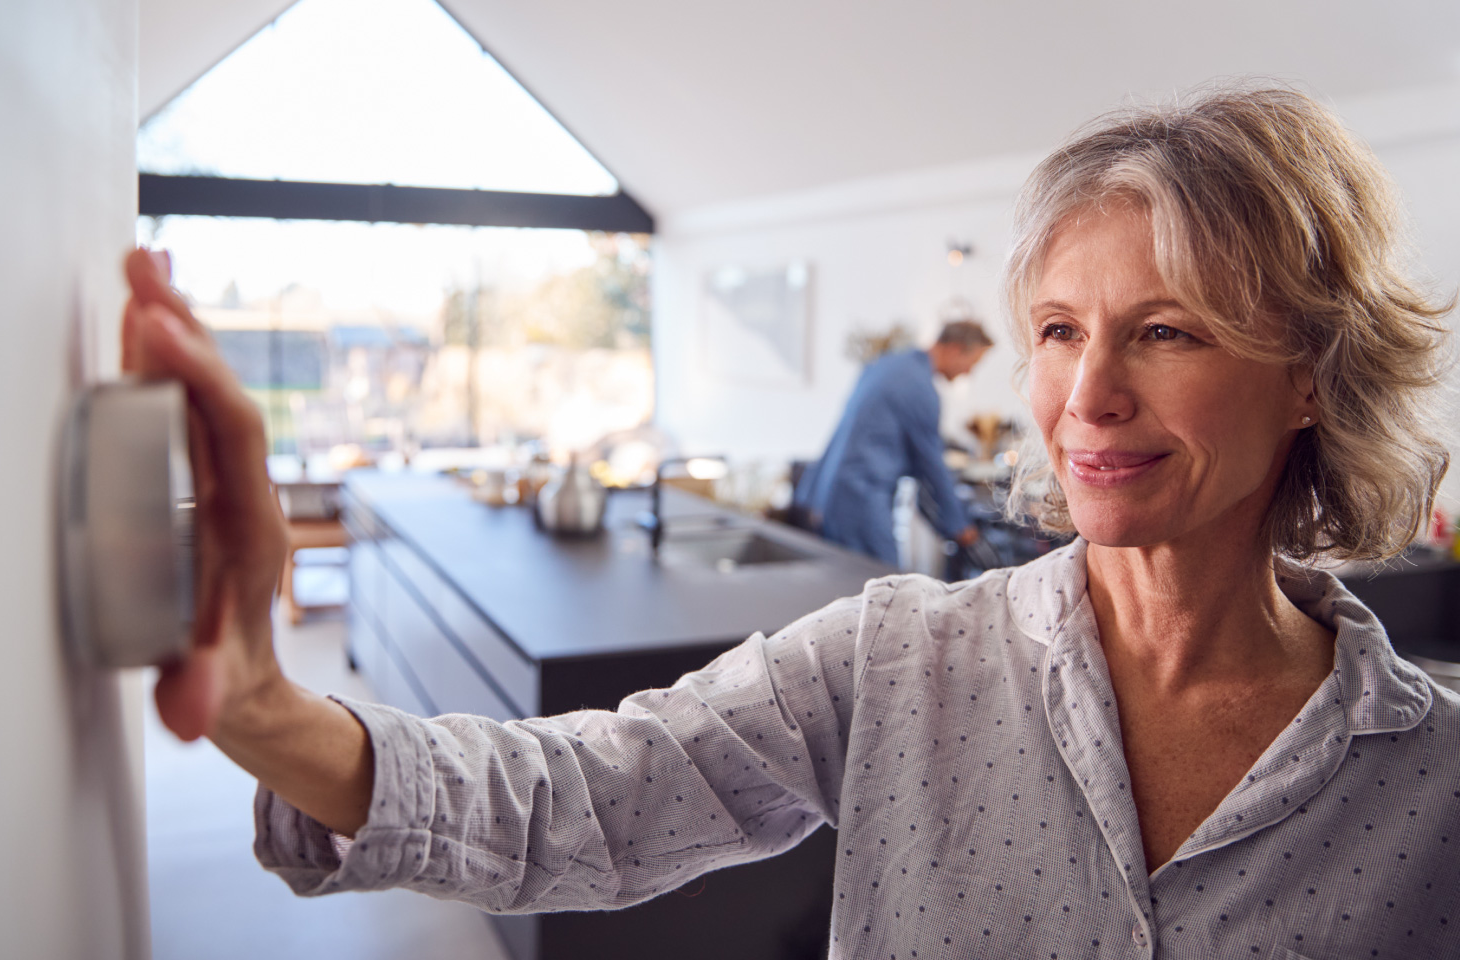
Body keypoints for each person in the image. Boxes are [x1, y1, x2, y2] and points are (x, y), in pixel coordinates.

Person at [124, 83, 1458, 959]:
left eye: (1163, 331)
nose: (1089, 394)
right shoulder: (894, 661)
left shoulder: (1432, 783)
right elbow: (579, 802)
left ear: (1307, 376)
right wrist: (259, 703)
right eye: (1058, 331)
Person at [792, 322, 992, 564]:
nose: (969, 372)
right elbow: (932, 465)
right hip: (860, 496)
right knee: (886, 585)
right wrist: (960, 525)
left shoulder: (887, 363)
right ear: (955, 349)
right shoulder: (920, 388)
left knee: (846, 581)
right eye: (973, 363)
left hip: (829, 490)